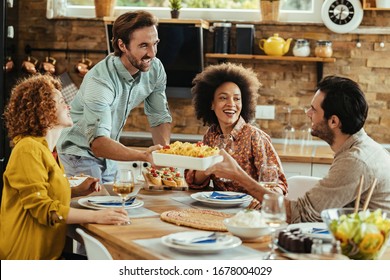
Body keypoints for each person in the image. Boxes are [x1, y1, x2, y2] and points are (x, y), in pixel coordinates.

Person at [205, 75, 390, 223]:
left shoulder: (355, 161)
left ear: (334, 121)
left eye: (313, 110)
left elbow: (297, 215)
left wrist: (238, 174)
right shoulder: (364, 149)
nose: (308, 113)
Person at [0, 74, 129, 260]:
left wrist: (77, 191)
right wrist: (97, 216)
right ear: (43, 110)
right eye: (61, 102)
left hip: (48, 255)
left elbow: (47, 194)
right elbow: (44, 209)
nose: (67, 106)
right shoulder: (28, 149)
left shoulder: (48, 150)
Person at [57, 10, 172, 183]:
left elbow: (159, 116)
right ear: (122, 45)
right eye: (143, 46)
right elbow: (98, 144)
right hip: (78, 152)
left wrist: (164, 156)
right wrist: (144, 155)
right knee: (94, 207)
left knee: (117, 206)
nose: (152, 53)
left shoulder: (155, 68)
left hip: (109, 151)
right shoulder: (100, 81)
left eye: (154, 43)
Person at [186, 63, 287, 194]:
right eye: (223, 98)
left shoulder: (254, 137)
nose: (231, 104)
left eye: (237, 99)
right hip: (218, 207)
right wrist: (208, 165)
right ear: (211, 104)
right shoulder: (211, 136)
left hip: (250, 209)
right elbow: (194, 182)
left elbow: (278, 185)